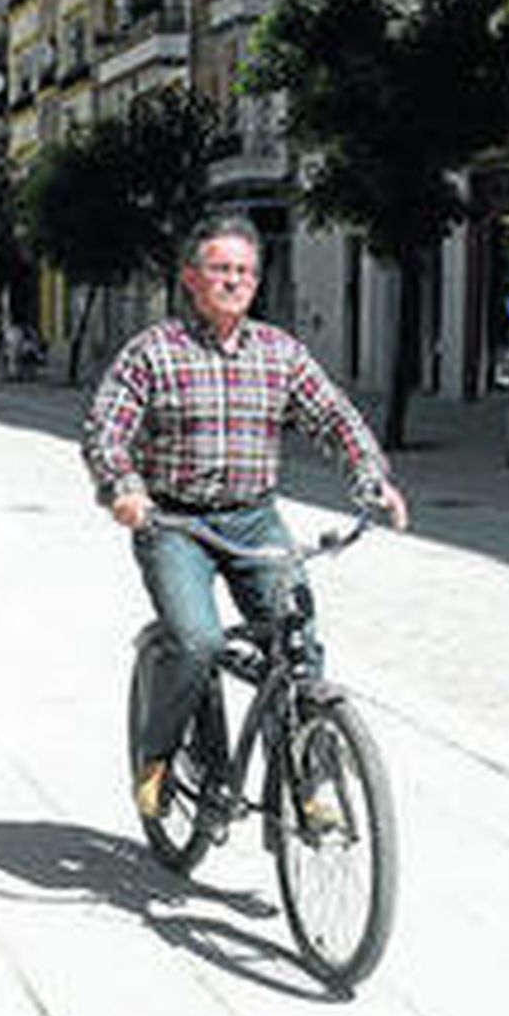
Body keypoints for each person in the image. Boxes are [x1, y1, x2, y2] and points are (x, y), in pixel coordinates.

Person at [81, 214, 409, 822]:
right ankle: (156, 755)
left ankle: (308, 784)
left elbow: (334, 417)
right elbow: (106, 428)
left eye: (244, 272)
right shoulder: (153, 352)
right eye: (220, 269)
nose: (234, 281)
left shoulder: (280, 353)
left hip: (254, 520)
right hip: (176, 524)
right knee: (199, 641)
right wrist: (123, 489)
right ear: (190, 278)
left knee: (300, 647)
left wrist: (372, 478)